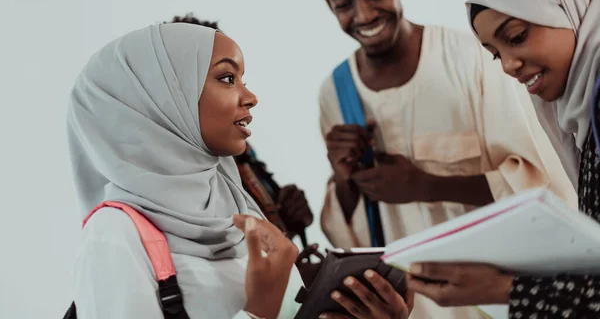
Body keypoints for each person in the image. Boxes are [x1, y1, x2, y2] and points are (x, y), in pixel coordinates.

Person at [316, 0, 578, 319]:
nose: (364, 14)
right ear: (327, 3)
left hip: (501, 303)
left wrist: (425, 184)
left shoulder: (476, 57)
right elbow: (349, 233)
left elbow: (541, 188)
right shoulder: (334, 93)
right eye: (343, 2)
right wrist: (344, 181)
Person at [69, 22, 410, 318]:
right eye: (227, 78)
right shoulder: (113, 234)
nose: (250, 97)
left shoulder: (239, 206)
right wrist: (257, 312)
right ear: (162, 99)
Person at [406, 0, 600, 318]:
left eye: (516, 36)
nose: (509, 65)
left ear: (574, 0)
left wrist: (506, 289)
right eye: (495, 53)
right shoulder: (585, 120)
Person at [169, 13, 314, 243]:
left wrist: (286, 220)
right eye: (226, 79)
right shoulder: (169, 182)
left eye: (240, 80)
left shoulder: (241, 154)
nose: (250, 97)